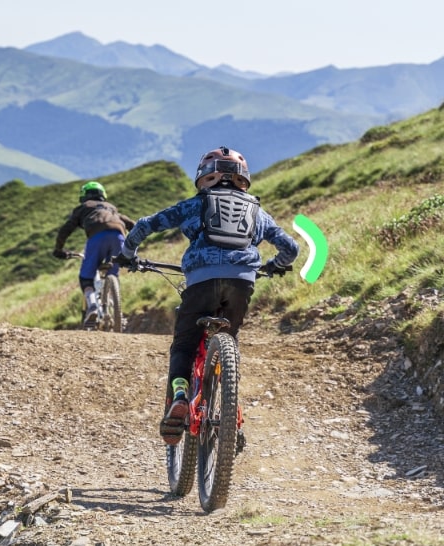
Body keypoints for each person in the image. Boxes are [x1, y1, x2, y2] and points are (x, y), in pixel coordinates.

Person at [115, 146, 300, 445]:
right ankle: (231, 416)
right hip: (241, 284)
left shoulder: (194, 205)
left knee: (185, 344)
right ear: (244, 180)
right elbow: (291, 249)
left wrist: (128, 254)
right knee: (231, 339)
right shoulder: (257, 212)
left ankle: (179, 394)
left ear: (204, 177)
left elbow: (146, 225)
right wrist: (274, 266)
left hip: (201, 281)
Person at [53, 181, 136, 328]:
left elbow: (66, 229)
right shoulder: (111, 208)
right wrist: (135, 246)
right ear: (103, 195)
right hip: (119, 236)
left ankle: (92, 307)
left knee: (86, 276)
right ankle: (115, 309)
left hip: (97, 237)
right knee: (113, 271)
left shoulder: (83, 207)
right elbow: (131, 224)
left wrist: (58, 250)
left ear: (83, 196)